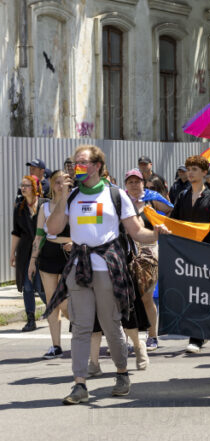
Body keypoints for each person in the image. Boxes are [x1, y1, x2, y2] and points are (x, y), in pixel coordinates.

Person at [45, 144, 168, 405]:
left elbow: (136, 232)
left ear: (97, 166)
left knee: (111, 324)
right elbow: (52, 228)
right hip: (79, 268)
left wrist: (155, 233)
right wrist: (61, 196)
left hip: (108, 268)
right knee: (80, 326)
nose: (77, 166)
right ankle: (79, 383)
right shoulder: (72, 196)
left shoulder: (116, 195)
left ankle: (122, 373)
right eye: (75, 162)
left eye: (83, 162)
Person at [170, 155, 210, 353]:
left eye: (194, 169)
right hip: (184, 250)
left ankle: (197, 337)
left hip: (205, 250)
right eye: (188, 169)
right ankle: (201, 331)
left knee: (200, 293)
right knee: (189, 292)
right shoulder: (182, 196)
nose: (190, 173)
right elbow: (174, 221)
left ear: (204, 173)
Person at [29, 171, 72, 358]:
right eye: (57, 182)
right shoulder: (45, 207)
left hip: (68, 254)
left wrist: (76, 243)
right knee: (51, 302)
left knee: (64, 303)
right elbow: (39, 235)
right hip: (48, 255)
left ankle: (83, 331)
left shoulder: (74, 205)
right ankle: (56, 345)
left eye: (64, 182)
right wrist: (32, 260)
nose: (60, 186)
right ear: (52, 184)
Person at [123, 169, 161, 361]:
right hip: (129, 254)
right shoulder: (121, 205)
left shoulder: (151, 203)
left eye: (137, 181)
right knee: (130, 297)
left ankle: (153, 335)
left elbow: (163, 221)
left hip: (149, 253)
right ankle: (133, 337)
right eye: (130, 182)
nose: (134, 185)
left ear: (143, 184)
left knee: (146, 296)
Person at [12, 175, 47, 332]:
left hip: (44, 250)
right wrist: (12, 253)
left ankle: (54, 309)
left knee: (41, 288)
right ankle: (30, 320)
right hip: (25, 252)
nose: (23, 188)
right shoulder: (19, 207)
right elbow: (16, 232)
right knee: (27, 285)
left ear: (35, 187)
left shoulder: (44, 205)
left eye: (26, 185)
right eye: (22, 185)